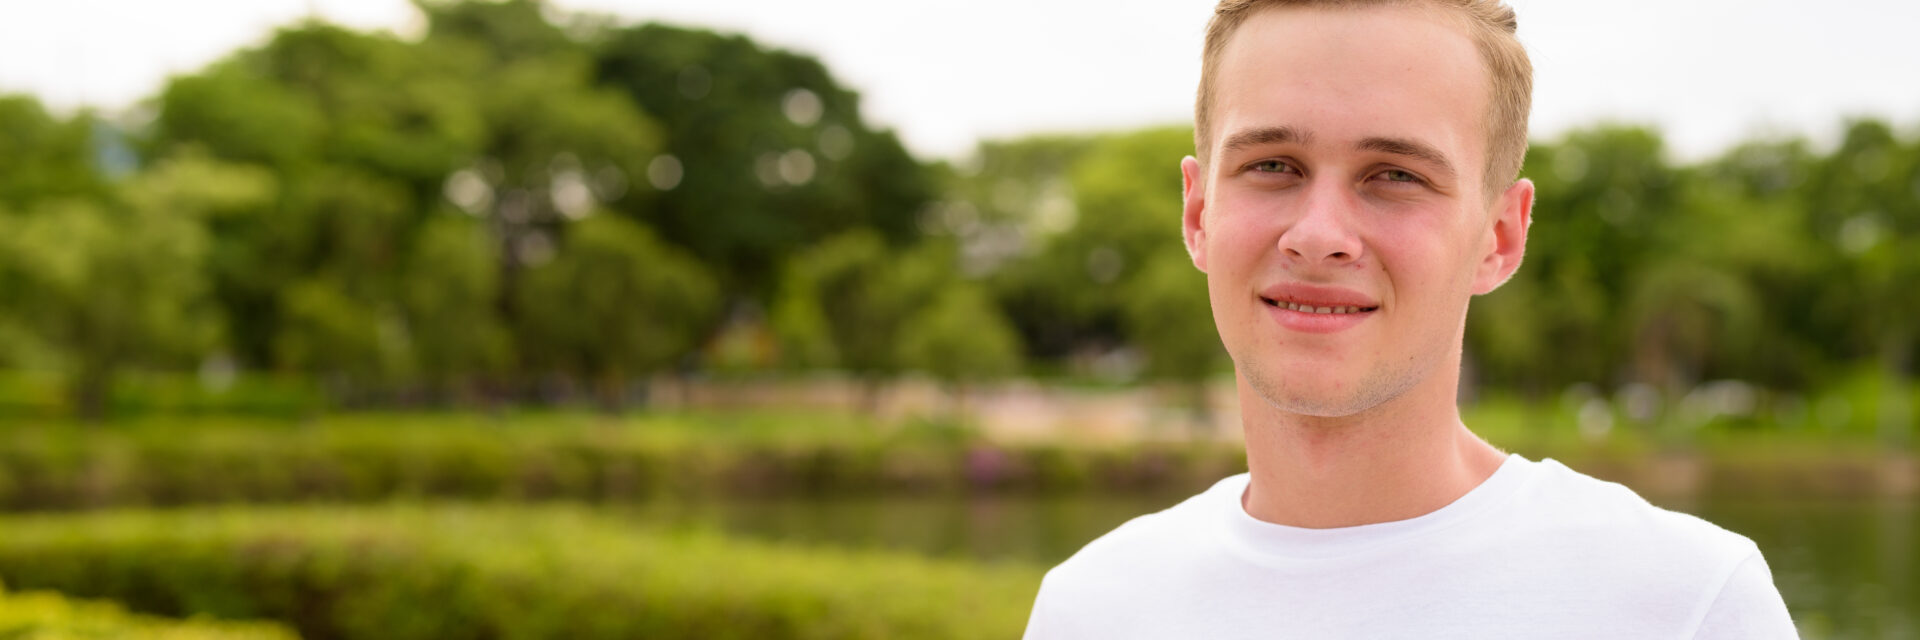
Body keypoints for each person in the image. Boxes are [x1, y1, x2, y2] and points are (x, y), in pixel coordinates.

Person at [1021, 1, 1798, 637]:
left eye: (1394, 175)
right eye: (1272, 166)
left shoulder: (1686, 605)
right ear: (1198, 212)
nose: (1319, 236)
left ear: (1500, 237)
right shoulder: (1091, 609)